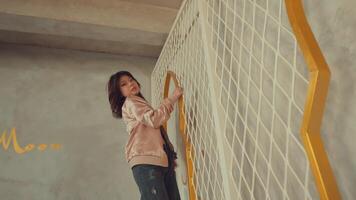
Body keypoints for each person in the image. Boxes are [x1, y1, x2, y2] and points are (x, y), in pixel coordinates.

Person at [107, 70, 183, 200]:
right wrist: (171, 98)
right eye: (124, 84)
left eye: (131, 79)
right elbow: (154, 120)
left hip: (157, 161)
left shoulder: (140, 104)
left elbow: (156, 132)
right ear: (119, 93)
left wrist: (169, 156)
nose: (130, 83)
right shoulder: (131, 102)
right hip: (146, 161)